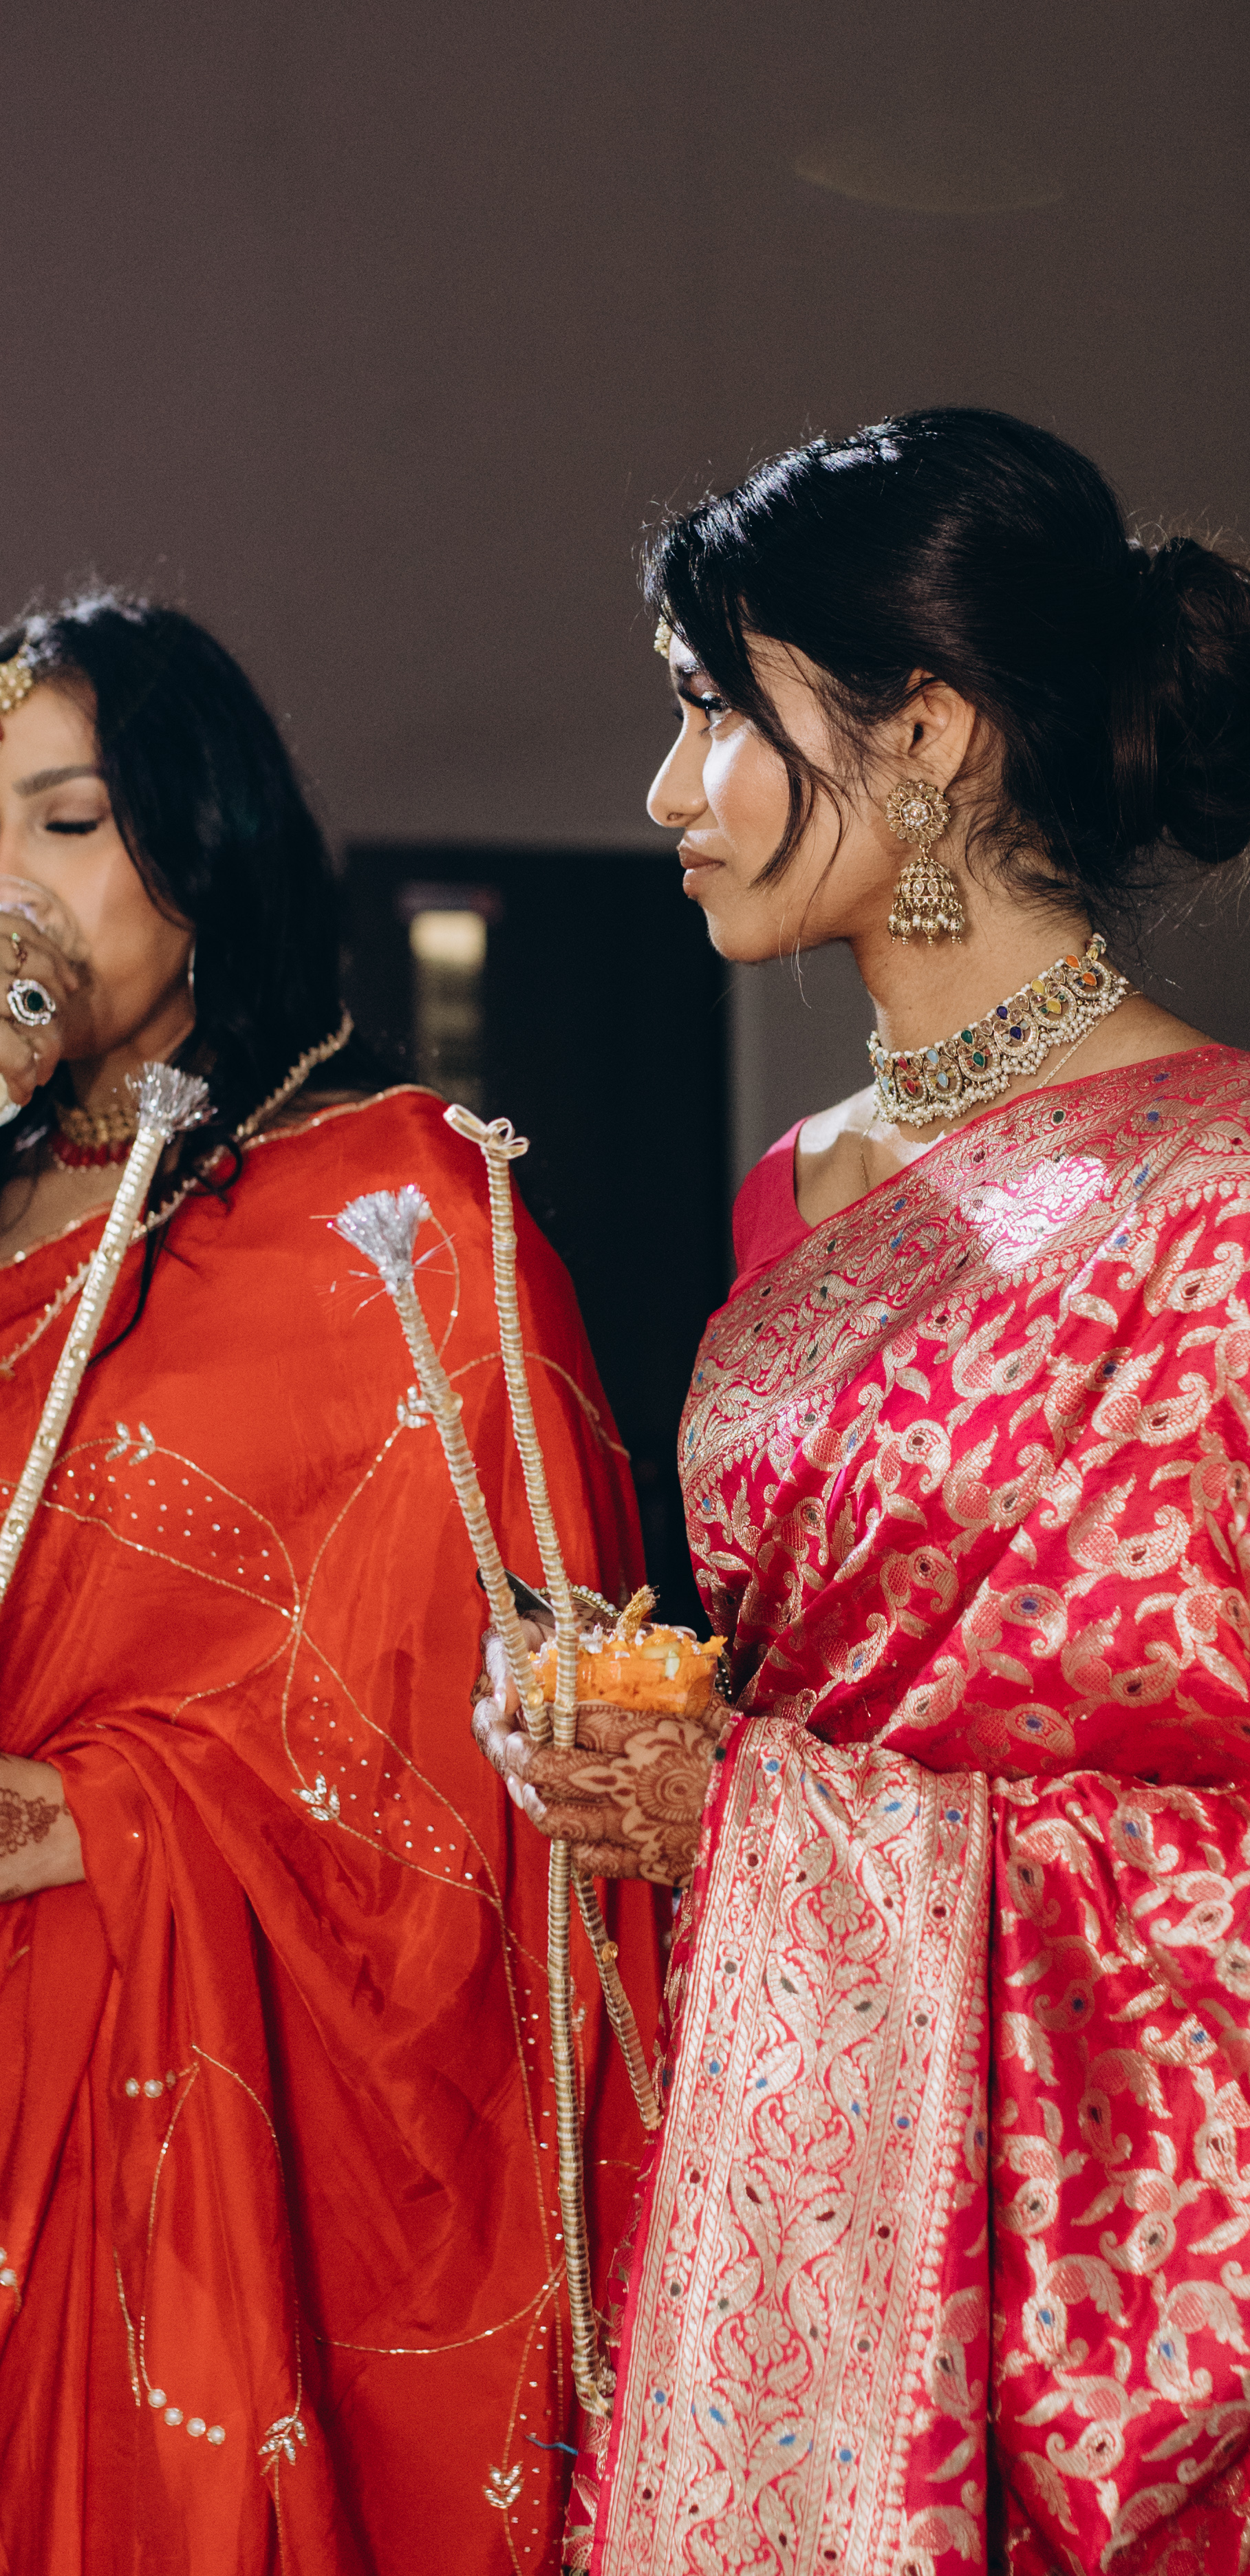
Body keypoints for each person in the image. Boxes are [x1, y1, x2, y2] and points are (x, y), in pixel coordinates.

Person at [471, 407, 1250, 2576]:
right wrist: (652, 1743)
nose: (669, 791)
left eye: (715, 710)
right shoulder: (800, 1192)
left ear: (930, 734)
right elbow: (817, 1684)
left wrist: (748, 1817)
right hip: (802, 2190)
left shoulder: (1232, 1199)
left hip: (1094, 2284)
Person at [0, 595, 660, 2576]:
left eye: (66, 821)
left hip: (156, 2086)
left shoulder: (397, 1211)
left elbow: (490, 1760)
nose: (9, 887)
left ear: (204, 840)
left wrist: (101, 1819)